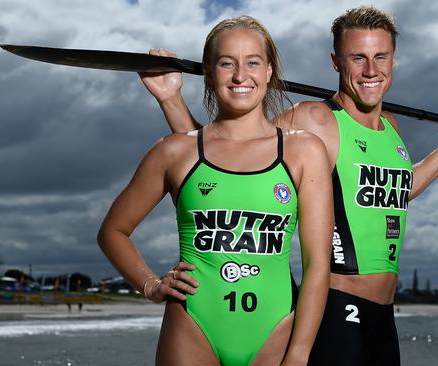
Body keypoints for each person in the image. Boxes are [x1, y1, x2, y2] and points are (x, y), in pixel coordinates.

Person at [141, 6, 438, 365]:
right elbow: (227, 152)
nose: (371, 70)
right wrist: (171, 100)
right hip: (334, 307)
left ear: (394, 60)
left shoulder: (391, 126)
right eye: (358, 58)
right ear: (336, 62)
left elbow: (396, 193)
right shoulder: (313, 119)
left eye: (381, 57)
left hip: (383, 313)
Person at [98, 15, 332, 366]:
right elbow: (113, 231)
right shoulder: (174, 151)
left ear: (269, 71)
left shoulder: (304, 151)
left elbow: (317, 265)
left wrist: (299, 354)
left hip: (275, 330)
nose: (241, 76)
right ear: (209, 71)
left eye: (253, 62)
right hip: (193, 326)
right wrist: (150, 285)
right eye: (227, 63)